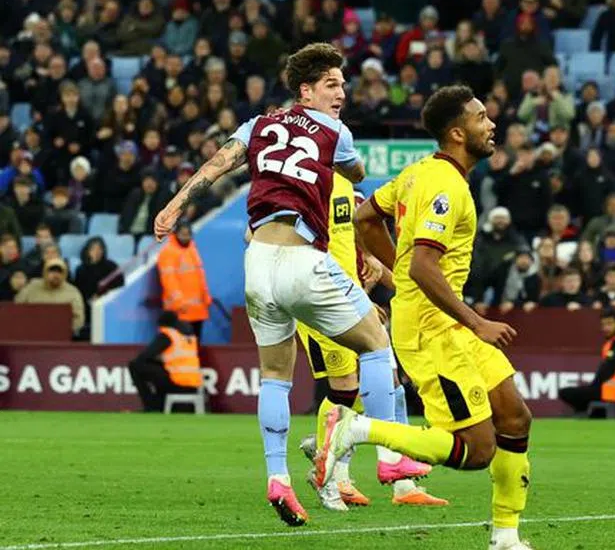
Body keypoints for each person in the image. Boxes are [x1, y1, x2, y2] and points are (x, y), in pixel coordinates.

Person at [153, 43, 402, 527]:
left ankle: (278, 477)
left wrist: (174, 206)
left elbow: (213, 169)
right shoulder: (335, 130)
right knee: (375, 338)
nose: (342, 94)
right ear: (305, 91)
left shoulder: (257, 126)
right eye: (333, 85)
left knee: (275, 376)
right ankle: (392, 455)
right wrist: (339, 164)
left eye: (343, 85)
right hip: (301, 257)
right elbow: (357, 172)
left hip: (257, 263)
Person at [323, 85, 534, 550]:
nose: (491, 124)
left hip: (443, 317)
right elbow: (423, 264)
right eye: (481, 118)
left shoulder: (420, 173)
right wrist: (477, 321)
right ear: (458, 133)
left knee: (514, 417)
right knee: (477, 450)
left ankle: (506, 535)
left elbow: (365, 217)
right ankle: (356, 429)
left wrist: (399, 275)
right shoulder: (444, 186)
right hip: (431, 327)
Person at [294, 175, 446, 510]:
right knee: (346, 391)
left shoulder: (352, 202)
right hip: (327, 305)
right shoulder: (309, 195)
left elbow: (378, 260)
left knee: (392, 388)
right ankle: (332, 467)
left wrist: (414, 289)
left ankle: (401, 482)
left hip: (356, 306)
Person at [557, 306, 615, 416]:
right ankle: (588, 413)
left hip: (614, 395)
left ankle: (584, 414)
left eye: (609, 324)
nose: (606, 328)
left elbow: (609, 368)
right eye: (603, 324)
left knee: (566, 393)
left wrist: (594, 386)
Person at [127, 310, 201, 412]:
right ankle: (159, 405)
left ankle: (151, 406)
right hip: (193, 385)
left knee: (135, 365)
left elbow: (144, 356)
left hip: (177, 382)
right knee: (158, 372)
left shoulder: (168, 334)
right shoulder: (189, 335)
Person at [156, 220, 212, 339]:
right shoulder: (168, 252)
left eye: (188, 234)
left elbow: (200, 276)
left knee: (195, 344)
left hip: (198, 310)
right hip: (179, 311)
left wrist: (206, 297)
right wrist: (179, 303)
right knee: (181, 344)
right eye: (183, 234)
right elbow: (169, 281)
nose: (186, 237)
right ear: (176, 234)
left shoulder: (192, 249)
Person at [14, 257, 84, 336]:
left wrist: (66, 330)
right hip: (31, 334)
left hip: (61, 336)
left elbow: (79, 318)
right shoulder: (32, 287)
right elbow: (17, 308)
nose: (56, 275)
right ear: (45, 272)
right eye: (52, 271)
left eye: (59, 272)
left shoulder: (72, 292)